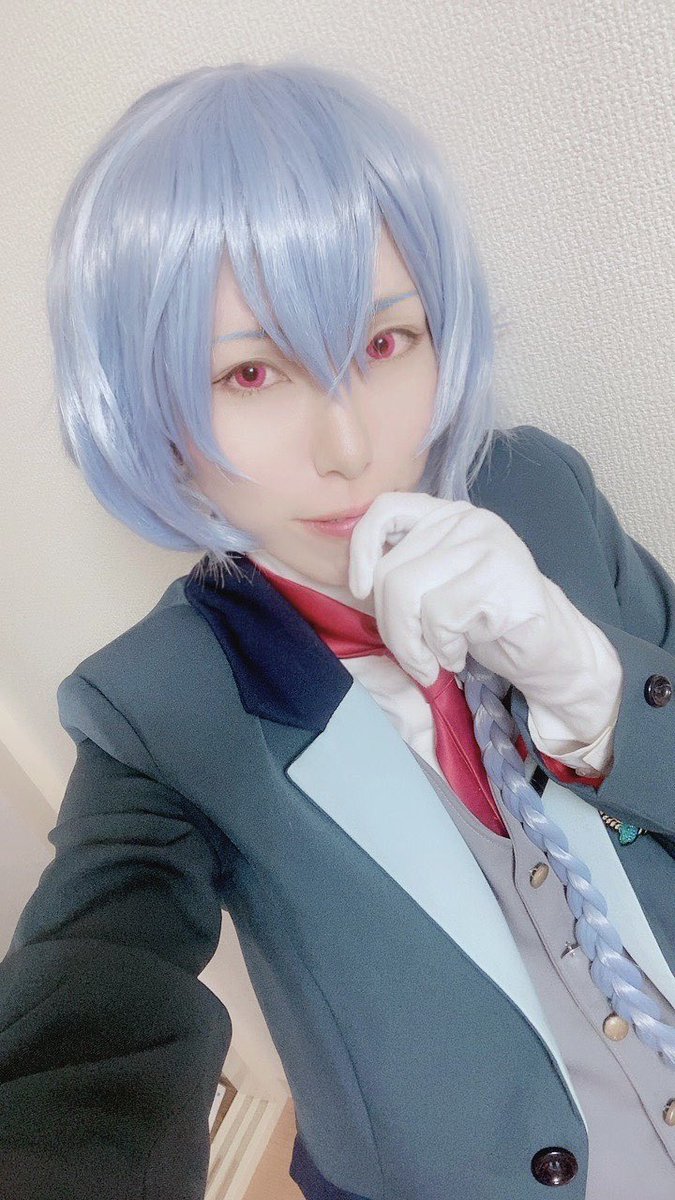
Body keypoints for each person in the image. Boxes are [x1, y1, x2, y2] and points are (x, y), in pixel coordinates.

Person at [1, 60, 674, 1200]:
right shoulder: (159, 710)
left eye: (381, 344)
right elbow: (91, 1002)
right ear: (151, 410)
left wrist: (600, 692)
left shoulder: (541, 495)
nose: (351, 448)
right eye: (250, 371)